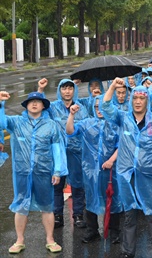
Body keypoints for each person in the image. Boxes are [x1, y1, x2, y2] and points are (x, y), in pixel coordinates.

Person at [101, 79, 152, 258]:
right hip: (127, 175)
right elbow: (106, 107)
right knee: (130, 215)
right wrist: (112, 88)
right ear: (131, 100)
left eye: (142, 98)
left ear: (147, 100)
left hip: (149, 176)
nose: (138, 102)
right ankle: (127, 252)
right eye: (135, 98)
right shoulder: (123, 118)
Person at [0, 91, 68, 254]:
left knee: (47, 206)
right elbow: (2, 124)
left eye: (38, 101)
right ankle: (19, 240)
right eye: (31, 101)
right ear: (26, 105)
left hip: (44, 173)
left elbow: (57, 149)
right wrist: (1, 104)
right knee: (21, 205)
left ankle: (50, 240)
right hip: (22, 173)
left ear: (44, 105)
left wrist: (57, 171)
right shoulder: (16, 122)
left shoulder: (51, 125)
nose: (35, 104)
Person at [65, 98, 122, 244]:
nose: (98, 109)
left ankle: (114, 231)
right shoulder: (87, 123)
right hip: (90, 170)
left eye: (101, 106)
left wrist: (111, 160)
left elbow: (121, 145)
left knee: (112, 199)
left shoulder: (115, 125)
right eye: (96, 106)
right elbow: (70, 131)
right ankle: (92, 230)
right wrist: (71, 115)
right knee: (90, 198)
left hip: (110, 171)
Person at [38, 78, 90, 229]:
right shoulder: (53, 107)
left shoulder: (81, 108)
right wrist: (41, 89)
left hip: (76, 151)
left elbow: (86, 126)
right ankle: (58, 215)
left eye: (70, 88)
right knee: (57, 184)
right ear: (59, 91)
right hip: (58, 152)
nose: (67, 91)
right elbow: (39, 108)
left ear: (74, 90)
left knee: (77, 184)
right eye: (64, 88)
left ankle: (78, 214)